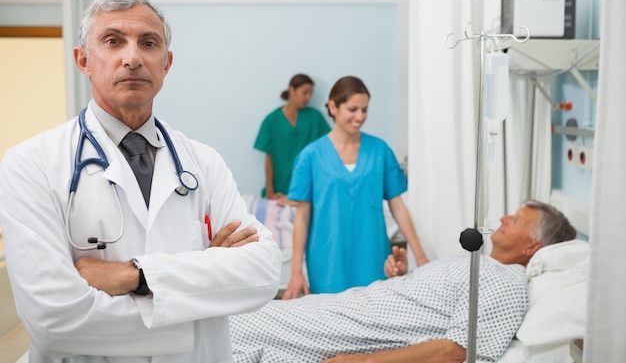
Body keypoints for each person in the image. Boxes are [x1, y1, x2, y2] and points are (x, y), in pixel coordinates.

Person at [0, 0, 282, 363]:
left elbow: (262, 272)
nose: (132, 58)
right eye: (113, 41)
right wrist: (199, 299)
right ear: (83, 59)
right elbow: (54, 320)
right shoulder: (30, 163)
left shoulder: (204, 162)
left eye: (148, 43)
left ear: (166, 63)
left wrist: (137, 276)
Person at [230, 199, 578, 363]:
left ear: (533, 245)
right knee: (231, 323)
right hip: (339, 310)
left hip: (342, 329)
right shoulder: (478, 264)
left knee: (231, 330)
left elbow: (455, 351)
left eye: (515, 219)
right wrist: (402, 275)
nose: (503, 217)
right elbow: (426, 307)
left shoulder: (505, 282)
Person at [283, 75, 428, 298]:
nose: (360, 116)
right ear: (333, 107)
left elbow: (398, 207)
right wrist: (295, 272)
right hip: (327, 262)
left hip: (373, 257)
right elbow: (302, 217)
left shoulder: (380, 151)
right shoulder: (310, 156)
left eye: (365, 109)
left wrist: (420, 256)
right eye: (353, 109)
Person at [253, 73, 330, 204]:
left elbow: (330, 147)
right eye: (304, 92)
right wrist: (270, 190)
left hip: (308, 187)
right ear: (291, 90)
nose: (308, 97)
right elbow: (269, 158)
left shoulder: (315, 117)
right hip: (280, 189)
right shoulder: (272, 120)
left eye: (310, 93)